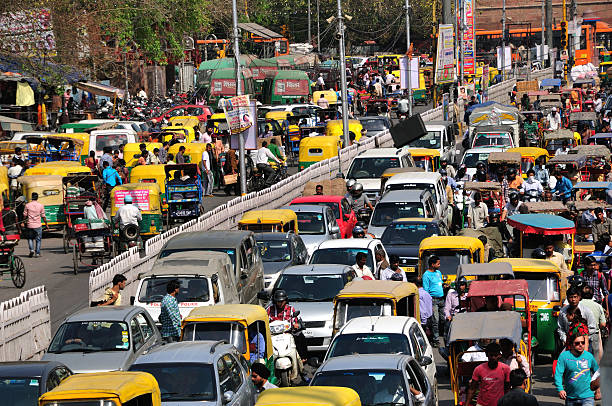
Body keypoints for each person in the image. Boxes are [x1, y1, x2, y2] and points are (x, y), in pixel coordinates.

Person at [554, 331, 600, 405]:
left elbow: (598, 372)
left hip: (587, 397)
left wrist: (598, 389)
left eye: (582, 342)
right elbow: (558, 374)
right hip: (570, 397)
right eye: (577, 343)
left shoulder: (589, 356)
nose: (581, 345)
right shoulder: (564, 356)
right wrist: (560, 389)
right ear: (572, 345)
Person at [266, 289, 307, 360]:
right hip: (273, 335)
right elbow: (265, 320)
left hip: (288, 333)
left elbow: (295, 320)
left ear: (285, 300)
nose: (280, 303)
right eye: (278, 301)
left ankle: (302, 358)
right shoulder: (269, 309)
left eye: (282, 301)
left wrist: (296, 325)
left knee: (300, 337)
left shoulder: (291, 309)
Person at [422, 255, 444, 347]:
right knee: (435, 321)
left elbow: (440, 283)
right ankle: (435, 340)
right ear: (432, 264)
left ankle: (443, 336)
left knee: (443, 319)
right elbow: (426, 290)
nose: (439, 265)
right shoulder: (426, 275)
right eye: (438, 263)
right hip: (433, 300)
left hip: (441, 299)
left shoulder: (438, 272)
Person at [581, 285, 606, 362]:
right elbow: (603, 324)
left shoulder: (578, 305)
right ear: (592, 295)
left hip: (579, 334)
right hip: (594, 334)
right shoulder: (598, 306)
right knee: (595, 359)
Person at [24, 192, 48, 258]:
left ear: (32, 197)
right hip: (38, 225)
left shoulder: (27, 205)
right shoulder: (41, 205)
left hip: (30, 225)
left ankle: (31, 250)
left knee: (30, 238)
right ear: (37, 198)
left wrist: (23, 221)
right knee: (38, 239)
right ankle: (37, 253)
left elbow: (25, 215)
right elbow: (43, 216)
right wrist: (46, 224)